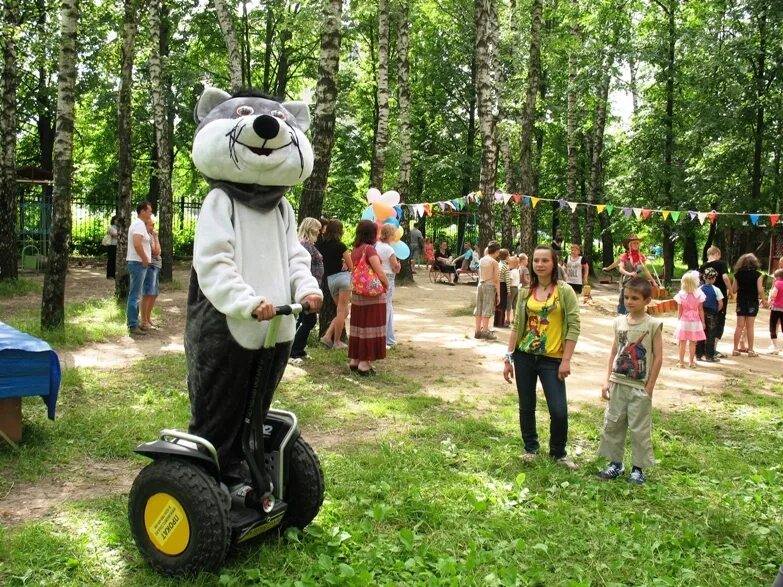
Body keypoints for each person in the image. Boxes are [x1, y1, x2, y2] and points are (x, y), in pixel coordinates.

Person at [503, 245, 581, 469]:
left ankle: (558, 453)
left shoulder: (564, 291)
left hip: (552, 359)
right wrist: (508, 358)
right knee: (526, 406)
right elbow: (517, 326)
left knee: (558, 410)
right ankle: (531, 449)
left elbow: (574, 326)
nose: (540, 264)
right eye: (536, 260)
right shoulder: (526, 292)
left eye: (545, 260)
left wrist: (566, 359)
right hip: (525, 356)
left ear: (553, 263)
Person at [597, 277, 663, 485]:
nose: (630, 301)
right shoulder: (619, 322)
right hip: (618, 382)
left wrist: (650, 387)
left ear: (647, 301)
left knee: (639, 428)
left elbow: (659, 357)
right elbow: (614, 352)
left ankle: (638, 468)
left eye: (635, 298)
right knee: (613, 424)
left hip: (639, 386)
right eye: (626, 297)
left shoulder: (652, 324)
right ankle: (615, 463)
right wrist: (606, 380)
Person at [347, 219, 389, 375]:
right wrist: (386, 284)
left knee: (359, 325)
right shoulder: (370, 249)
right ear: (371, 233)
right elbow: (379, 271)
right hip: (372, 294)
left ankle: (355, 360)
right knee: (371, 324)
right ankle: (364, 363)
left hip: (358, 292)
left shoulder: (355, 249)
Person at [290, 217, 324, 362]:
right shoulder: (305, 245)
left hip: (311, 287)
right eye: (317, 229)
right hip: (306, 290)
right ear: (311, 229)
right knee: (308, 321)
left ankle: (298, 348)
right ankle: (294, 350)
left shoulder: (307, 244)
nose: (319, 232)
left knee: (304, 320)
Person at [317, 219, 353, 350]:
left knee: (343, 311)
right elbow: (351, 266)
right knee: (342, 310)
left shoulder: (321, 246)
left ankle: (327, 336)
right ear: (340, 231)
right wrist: (344, 262)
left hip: (330, 280)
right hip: (343, 278)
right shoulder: (341, 246)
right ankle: (337, 341)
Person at [699, 246, 731, 357]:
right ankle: (713, 349)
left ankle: (702, 348)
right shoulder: (721, 264)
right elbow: (725, 277)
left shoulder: (703, 266)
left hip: (704, 299)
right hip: (718, 298)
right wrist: (730, 290)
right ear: (717, 253)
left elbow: (699, 281)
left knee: (704, 322)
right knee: (719, 321)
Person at [731, 253, 765, 357]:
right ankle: (750, 350)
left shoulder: (737, 274)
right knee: (750, 327)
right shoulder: (758, 275)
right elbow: (760, 289)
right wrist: (763, 299)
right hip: (752, 302)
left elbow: (734, 290)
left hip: (741, 301)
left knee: (739, 326)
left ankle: (735, 349)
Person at [126, 201, 153, 336]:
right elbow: (137, 243)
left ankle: (134, 323)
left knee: (136, 294)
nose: (150, 213)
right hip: (137, 263)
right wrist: (144, 259)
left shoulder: (140, 225)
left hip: (138, 262)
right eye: (149, 211)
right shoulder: (139, 224)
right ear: (142, 211)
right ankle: (132, 324)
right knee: (135, 295)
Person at [375, 223, 401, 348]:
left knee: (384, 306)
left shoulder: (377, 246)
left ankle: (389, 337)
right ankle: (384, 338)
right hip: (389, 278)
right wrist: (399, 266)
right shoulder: (389, 249)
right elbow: (395, 267)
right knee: (387, 307)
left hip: (378, 277)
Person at [673, 271, 706, 368]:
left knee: (682, 342)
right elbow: (700, 309)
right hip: (695, 321)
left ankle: (681, 362)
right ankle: (691, 362)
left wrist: (678, 322)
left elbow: (680, 311)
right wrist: (703, 321)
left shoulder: (681, 295)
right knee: (693, 342)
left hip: (684, 321)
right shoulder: (699, 294)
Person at [616, 234, 653, 315]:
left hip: (637, 283)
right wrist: (629, 273)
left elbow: (645, 270)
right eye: (634, 243)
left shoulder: (641, 256)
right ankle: (622, 317)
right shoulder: (625, 256)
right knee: (623, 300)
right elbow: (621, 269)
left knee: (638, 301)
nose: (636, 245)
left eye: (637, 243)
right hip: (626, 282)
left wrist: (653, 281)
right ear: (629, 244)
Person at [695, 268, 724, 362]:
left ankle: (698, 354)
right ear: (714, 278)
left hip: (701, 313)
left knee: (700, 333)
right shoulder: (716, 289)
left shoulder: (699, 289)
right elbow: (720, 303)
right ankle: (709, 356)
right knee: (711, 335)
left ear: (704, 277)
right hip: (712, 314)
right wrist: (716, 311)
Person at [474, 241, 501, 340]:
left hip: (480, 285)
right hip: (489, 286)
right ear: (496, 251)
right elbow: (496, 279)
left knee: (479, 307)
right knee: (487, 308)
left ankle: (477, 331)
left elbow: (480, 274)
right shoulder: (494, 262)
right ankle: (485, 331)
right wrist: (498, 294)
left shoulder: (481, 260)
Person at [140, 216, 162, 331]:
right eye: (151, 225)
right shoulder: (148, 237)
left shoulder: (152, 236)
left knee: (154, 293)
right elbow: (156, 251)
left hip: (156, 266)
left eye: (154, 225)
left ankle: (148, 318)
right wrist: (156, 237)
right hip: (151, 266)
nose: (153, 227)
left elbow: (159, 251)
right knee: (148, 293)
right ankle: (143, 320)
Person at [767, 268, 783, 355]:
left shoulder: (778, 283)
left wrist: (769, 299)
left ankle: (775, 346)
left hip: (776, 308)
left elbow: (774, 295)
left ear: (778, 277)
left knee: (773, 327)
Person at [495, 249, 510, 327]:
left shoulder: (498, 264)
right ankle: (501, 322)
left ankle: (496, 322)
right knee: (503, 305)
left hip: (497, 285)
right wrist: (509, 290)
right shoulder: (505, 266)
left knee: (498, 304)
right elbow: (507, 279)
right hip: (503, 286)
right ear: (506, 256)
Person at [505, 255, 520, 327]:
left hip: (511, 288)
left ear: (513, 264)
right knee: (514, 304)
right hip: (516, 288)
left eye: (509, 263)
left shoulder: (512, 272)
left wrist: (508, 289)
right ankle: (514, 318)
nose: (508, 265)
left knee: (509, 304)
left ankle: (507, 318)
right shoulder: (517, 271)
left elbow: (510, 281)